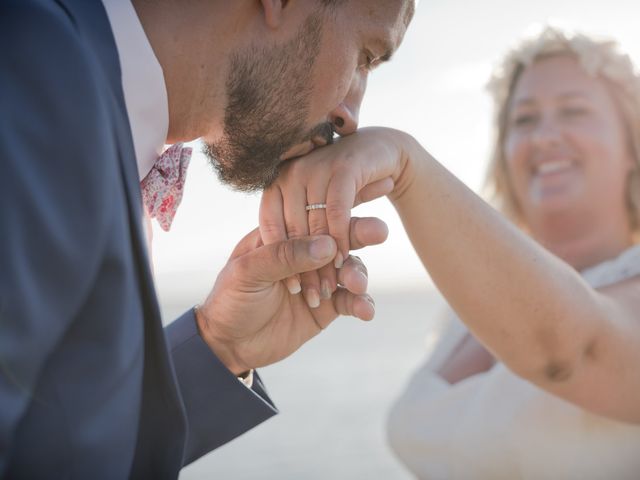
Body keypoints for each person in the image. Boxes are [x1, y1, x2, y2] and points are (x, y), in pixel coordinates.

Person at [0, 0, 415, 477]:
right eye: (365, 56)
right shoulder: (34, 67)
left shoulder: (77, 89)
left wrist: (220, 346)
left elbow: (49, 448)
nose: (350, 117)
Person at [260, 25, 640, 478]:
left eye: (573, 111)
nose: (544, 136)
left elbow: (572, 351)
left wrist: (405, 163)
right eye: (524, 119)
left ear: (632, 145)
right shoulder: (465, 308)